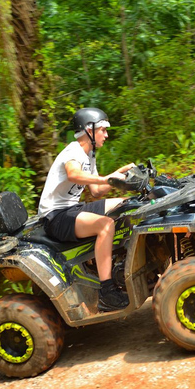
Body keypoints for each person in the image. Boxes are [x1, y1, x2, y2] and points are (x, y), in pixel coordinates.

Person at [37, 108, 136, 311]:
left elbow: (98, 191)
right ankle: (107, 291)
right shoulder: (73, 151)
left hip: (73, 208)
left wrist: (119, 174)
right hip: (56, 217)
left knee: (128, 205)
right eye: (103, 130)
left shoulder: (89, 155)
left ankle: (126, 263)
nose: (106, 135)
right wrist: (103, 178)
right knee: (106, 225)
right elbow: (73, 174)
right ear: (89, 130)